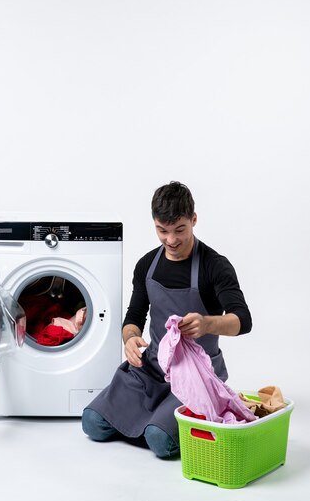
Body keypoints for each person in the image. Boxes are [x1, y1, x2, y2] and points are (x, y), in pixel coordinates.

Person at [82, 181, 252, 458]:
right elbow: (133, 317)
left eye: (179, 230)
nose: (171, 240)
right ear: (154, 224)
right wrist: (130, 339)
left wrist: (208, 323)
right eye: (163, 230)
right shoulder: (147, 265)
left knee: (159, 441)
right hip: (152, 369)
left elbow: (243, 320)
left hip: (197, 373)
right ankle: (155, 415)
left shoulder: (214, 266)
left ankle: (163, 422)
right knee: (93, 423)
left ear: (193, 220)